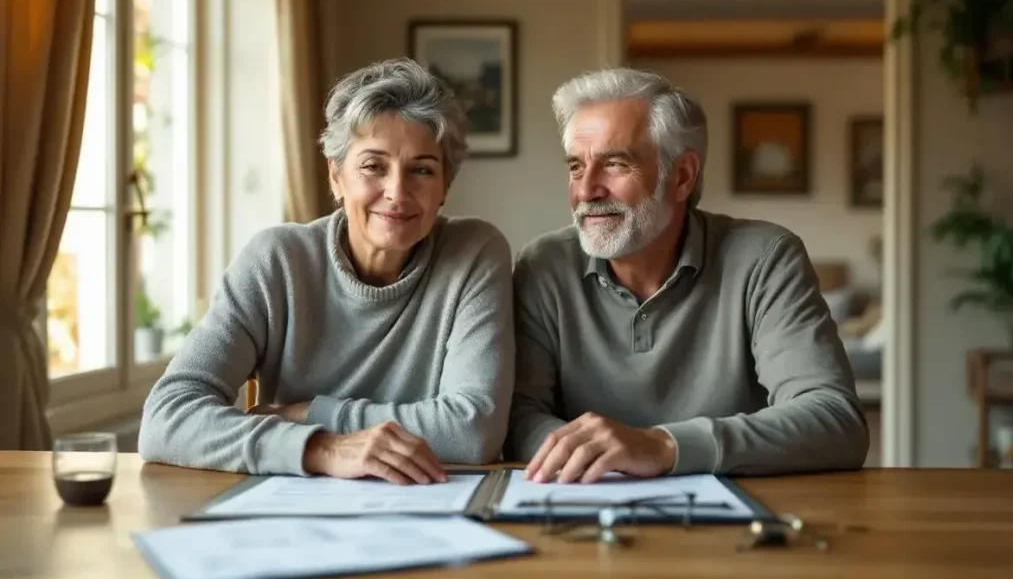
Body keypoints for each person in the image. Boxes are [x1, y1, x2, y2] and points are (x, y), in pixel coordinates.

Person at [139, 58, 515, 484]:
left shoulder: (474, 254)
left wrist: (308, 413)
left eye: (422, 170)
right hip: (293, 515)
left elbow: (472, 432)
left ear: (444, 186)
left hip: (431, 507)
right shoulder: (276, 260)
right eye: (373, 166)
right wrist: (321, 447)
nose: (397, 192)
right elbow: (166, 419)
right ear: (336, 176)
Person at [505, 68, 868, 484]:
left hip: (737, 526)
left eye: (615, 163)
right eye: (575, 167)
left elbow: (835, 421)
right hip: (583, 508)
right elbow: (516, 419)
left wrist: (663, 447)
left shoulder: (765, 259)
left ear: (681, 176)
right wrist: (596, 455)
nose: (586, 190)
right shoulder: (542, 266)